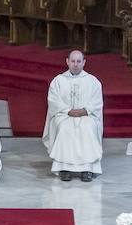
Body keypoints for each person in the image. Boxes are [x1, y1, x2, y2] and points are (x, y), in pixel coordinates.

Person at [42, 50, 104, 181]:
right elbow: (53, 101)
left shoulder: (93, 81)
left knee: (87, 128)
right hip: (64, 115)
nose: (76, 64)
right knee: (65, 128)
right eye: (73, 61)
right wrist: (68, 110)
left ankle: (87, 169)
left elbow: (97, 102)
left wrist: (84, 111)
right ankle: (64, 168)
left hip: (87, 115)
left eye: (79, 61)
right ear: (67, 62)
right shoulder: (58, 81)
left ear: (84, 62)